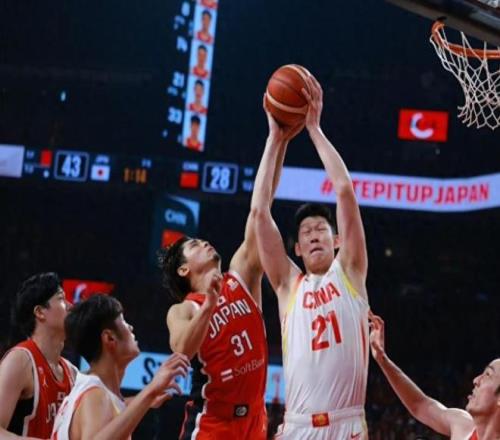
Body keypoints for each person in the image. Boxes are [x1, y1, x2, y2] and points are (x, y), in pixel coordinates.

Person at [157, 116, 303, 440]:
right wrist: (210, 303)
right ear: (183, 270)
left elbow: (260, 210)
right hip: (213, 425)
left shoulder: (241, 276)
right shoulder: (184, 309)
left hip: (255, 421)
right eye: (195, 245)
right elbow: (182, 348)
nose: (204, 242)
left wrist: (277, 139)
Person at [251, 74, 370, 439]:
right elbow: (259, 213)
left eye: (321, 228)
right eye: (306, 232)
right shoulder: (288, 286)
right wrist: (275, 141)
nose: (314, 234)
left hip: (347, 424)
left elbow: (345, 190)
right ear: (297, 249)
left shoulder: (350, 271)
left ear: (337, 240)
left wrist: (314, 129)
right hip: (299, 427)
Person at [51, 294, 189, 439]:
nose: (131, 327)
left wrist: (146, 399)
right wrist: (150, 391)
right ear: (109, 338)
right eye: (124, 321)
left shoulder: (94, 390)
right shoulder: (95, 394)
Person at [369, 313, 500, 440]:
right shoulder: (463, 426)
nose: (476, 380)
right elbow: (420, 404)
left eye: (488, 375)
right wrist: (382, 359)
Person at [0, 272, 76, 439]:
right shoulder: (20, 361)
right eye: (61, 298)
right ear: (40, 312)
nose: (70, 305)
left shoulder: (72, 373)